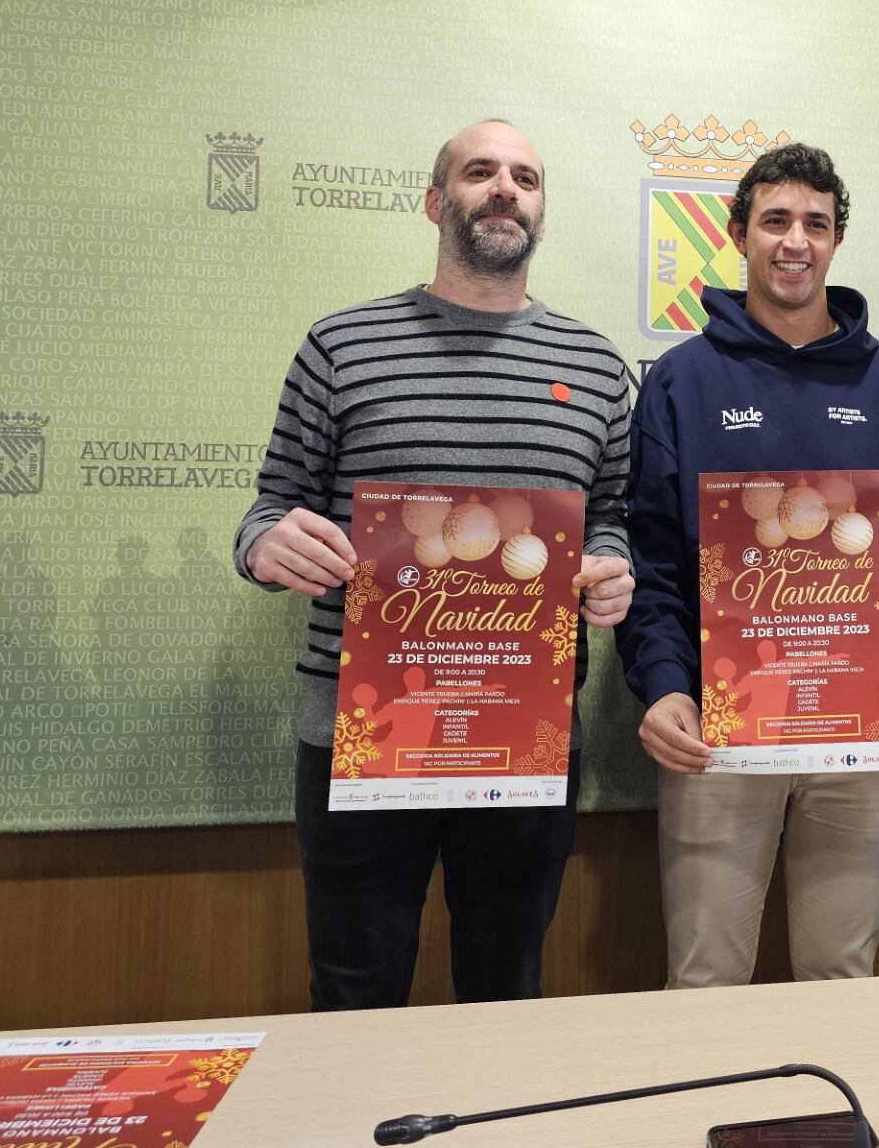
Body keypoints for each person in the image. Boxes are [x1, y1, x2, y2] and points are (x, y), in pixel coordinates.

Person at [234, 119, 634, 1008]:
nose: (505, 189)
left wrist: (611, 565)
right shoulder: (341, 345)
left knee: (505, 986)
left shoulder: (598, 367)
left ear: (540, 211)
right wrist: (267, 546)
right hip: (362, 735)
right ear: (433, 200)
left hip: (522, 730)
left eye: (525, 178)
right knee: (353, 984)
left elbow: (610, 516)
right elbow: (269, 505)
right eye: (481, 171)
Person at [616, 142, 879, 989]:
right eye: (775, 221)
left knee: (842, 974)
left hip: (858, 733)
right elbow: (649, 558)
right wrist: (663, 685)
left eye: (816, 223)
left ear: (837, 241)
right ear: (737, 234)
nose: (795, 240)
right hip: (719, 730)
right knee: (704, 977)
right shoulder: (680, 383)